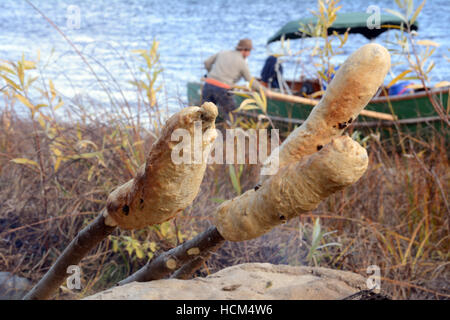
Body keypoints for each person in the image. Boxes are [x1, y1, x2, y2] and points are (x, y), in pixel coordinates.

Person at [201, 38, 264, 120]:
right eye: (249, 52)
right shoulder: (242, 62)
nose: (249, 54)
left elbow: (207, 63)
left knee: (205, 114)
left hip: (208, 84)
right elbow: (250, 80)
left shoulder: (222, 52)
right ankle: (229, 131)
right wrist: (265, 91)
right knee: (231, 115)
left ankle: (201, 131)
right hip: (222, 89)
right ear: (245, 51)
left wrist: (211, 73)